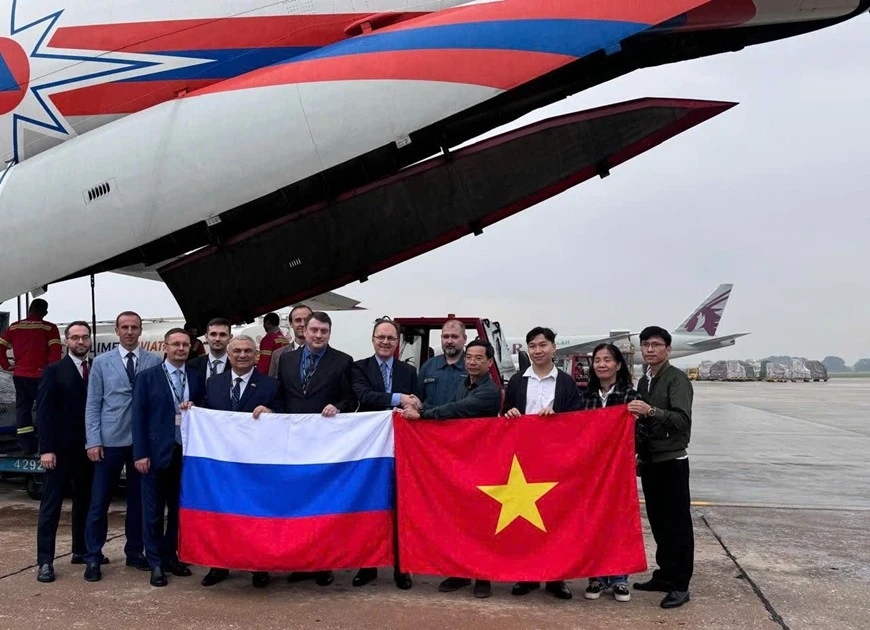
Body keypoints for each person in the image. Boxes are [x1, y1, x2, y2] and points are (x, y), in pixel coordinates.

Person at [402, 339, 501, 598]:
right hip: (460, 462)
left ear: (489, 363)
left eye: (479, 358)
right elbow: (447, 408)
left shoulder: (490, 391)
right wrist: (422, 408)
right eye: (469, 357)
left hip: (483, 462)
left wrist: (422, 416)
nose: (472, 361)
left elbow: (458, 409)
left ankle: (483, 576)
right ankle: (460, 571)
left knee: (481, 521)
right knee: (460, 518)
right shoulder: (462, 384)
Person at [275, 311, 356, 586]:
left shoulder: (343, 361)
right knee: (296, 504)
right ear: (304, 331)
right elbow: (280, 395)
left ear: (329, 334)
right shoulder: (286, 360)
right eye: (314, 330)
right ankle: (300, 562)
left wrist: (339, 407)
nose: (318, 335)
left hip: (325, 446)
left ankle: (323, 564)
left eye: (324, 331)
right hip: (293, 445)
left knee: (321, 506)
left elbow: (350, 397)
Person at [502, 327, 581, 601]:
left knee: (556, 518)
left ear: (554, 348)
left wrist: (558, 417)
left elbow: (578, 421)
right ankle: (528, 575)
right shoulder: (516, 382)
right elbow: (504, 416)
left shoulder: (567, 383)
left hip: (555, 460)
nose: (538, 350)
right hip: (523, 461)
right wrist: (509, 413)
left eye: (543, 345)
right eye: (533, 346)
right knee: (525, 521)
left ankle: (556, 577)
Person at [197, 335, 282, 589]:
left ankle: (259, 566)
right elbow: (205, 413)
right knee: (223, 515)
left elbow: (284, 414)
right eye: (237, 351)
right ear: (229, 354)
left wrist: (271, 413)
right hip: (223, 465)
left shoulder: (270, 385)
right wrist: (192, 410)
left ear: (257, 355)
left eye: (247, 351)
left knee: (256, 516)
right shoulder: (214, 383)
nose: (242, 355)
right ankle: (219, 565)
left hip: (257, 465)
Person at [83, 311, 161, 582]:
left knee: (139, 502)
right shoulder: (102, 363)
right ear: (117, 330)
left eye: (134, 327)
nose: (130, 332)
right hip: (109, 441)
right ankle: (92, 556)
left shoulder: (153, 360)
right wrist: (93, 440)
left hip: (141, 443)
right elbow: (93, 404)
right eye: (125, 327)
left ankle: (134, 552)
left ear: (141, 331)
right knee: (99, 501)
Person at [350, 317, 420, 590]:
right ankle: (367, 566)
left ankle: (402, 567)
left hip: (401, 449)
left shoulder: (409, 371)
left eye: (391, 338)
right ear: (373, 339)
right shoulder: (359, 368)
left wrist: (415, 404)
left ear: (398, 342)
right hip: (370, 451)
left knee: (401, 507)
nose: (386, 342)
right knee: (369, 506)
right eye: (381, 337)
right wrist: (399, 398)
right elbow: (364, 395)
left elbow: (417, 399)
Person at [628, 326, 694, 609]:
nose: (650, 350)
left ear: (668, 349)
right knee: (658, 522)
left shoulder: (676, 380)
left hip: (672, 461)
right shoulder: (645, 381)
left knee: (677, 524)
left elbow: (682, 420)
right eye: (646, 345)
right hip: (651, 461)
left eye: (656, 345)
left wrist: (650, 411)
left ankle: (680, 584)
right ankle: (665, 574)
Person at [133, 328, 205, 587]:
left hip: (185, 455)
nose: (181, 349)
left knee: (177, 511)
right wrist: (140, 453)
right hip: (154, 455)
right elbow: (138, 418)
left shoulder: (196, 379)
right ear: (165, 347)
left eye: (185, 345)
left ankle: (170, 555)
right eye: (176, 344)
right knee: (152, 512)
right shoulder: (147, 377)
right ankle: (154, 562)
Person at [578, 343, 640, 604]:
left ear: (617, 364)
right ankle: (597, 575)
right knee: (593, 520)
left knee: (618, 520)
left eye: (607, 360)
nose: (601, 364)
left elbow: (641, 433)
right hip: (591, 470)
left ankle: (619, 578)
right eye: (597, 360)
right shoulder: (586, 396)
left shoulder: (630, 396)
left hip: (618, 469)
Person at [35, 322, 94, 583]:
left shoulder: (96, 369)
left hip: (88, 450)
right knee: (52, 507)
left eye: (84, 337)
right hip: (58, 451)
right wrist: (46, 449)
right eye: (75, 338)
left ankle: (80, 550)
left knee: (84, 502)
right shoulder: (54, 371)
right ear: (66, 341)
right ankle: (45, 561)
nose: (80, 342)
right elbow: (44, 412)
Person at [0, 298, 62, 454]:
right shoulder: (49, 328)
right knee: (45, 409)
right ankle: (45, 445)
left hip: (20, 375)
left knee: (23, 409)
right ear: (45, 312)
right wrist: (51, 373)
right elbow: (55, 354)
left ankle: (26, 446)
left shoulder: (14, 327)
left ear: (29, 309)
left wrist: (7, 366)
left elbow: (0, 348)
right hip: (41, 375)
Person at [418, 319, 467, 406]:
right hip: (430, 418)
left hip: (460, 419)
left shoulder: (472, 367)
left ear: (465, 339)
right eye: (445, 337)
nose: (449, 341)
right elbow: (418, 399)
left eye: (454, 337)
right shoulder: (428, 366)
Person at [268, 304, 311, 378]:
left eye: (307, 320)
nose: (303, 324)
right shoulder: (277, 355)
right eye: (298, 320)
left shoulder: (324, 353)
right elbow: (272, 384)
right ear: (291, 324)